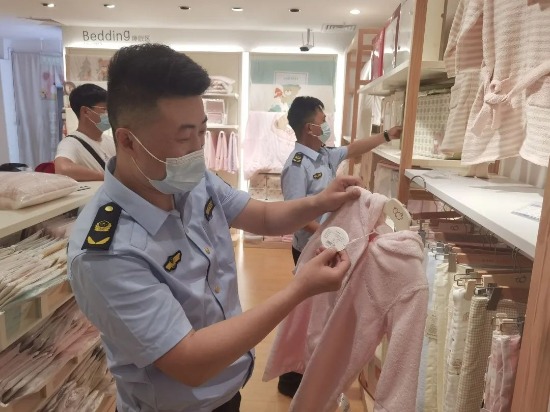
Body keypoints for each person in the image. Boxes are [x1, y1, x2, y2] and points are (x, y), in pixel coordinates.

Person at [67, 43, 362, 412]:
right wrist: (300, 289)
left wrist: (322, 201)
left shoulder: (190, 181)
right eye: (183, 136)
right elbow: (189, 361)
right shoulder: (105, 253)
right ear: (128, 140)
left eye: (202, 131)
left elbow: (262, 217)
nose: (198, 149)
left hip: (227, 388)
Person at [277, 96, 402, 397]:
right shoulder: (297, 166)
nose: (327, 125)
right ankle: (291, 378)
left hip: (330, 245)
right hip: (310, 248)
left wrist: (387, 135)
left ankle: (312, 372)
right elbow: (295, 214)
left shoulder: (324, 154)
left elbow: (354, 148)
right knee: (306, 312)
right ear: (309, 128)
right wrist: (326, 235)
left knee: (322, 311)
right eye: (323, 121)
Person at [55, 83, 115, 181]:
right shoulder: (70, 143)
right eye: (104, 110)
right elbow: (62, 169)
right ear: (86, 112)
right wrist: (107, 178)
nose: (109, 114)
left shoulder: (111, 141)